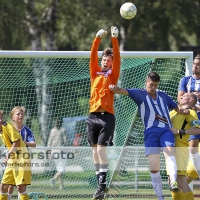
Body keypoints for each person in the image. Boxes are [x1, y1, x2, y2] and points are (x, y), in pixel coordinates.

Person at [109, 71, 189, 200]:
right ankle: (160, 197)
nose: (153, 88)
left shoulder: (163, 95)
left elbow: (176, 108)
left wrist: (184, 110)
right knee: (154, 168)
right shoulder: (139, 94)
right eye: (151, 85)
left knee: (170, 152)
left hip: (166, 130)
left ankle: (173, 181)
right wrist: (114, 88)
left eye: (156, 85)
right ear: (146, 82)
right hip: (150, 133)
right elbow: (122, 90)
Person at [86, 26, 120, 200]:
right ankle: (101, 186)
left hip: (107, 118)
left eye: (109, 60)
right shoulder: (95, 72)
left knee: (101, 150)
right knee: (94, 152)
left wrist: (114, 39)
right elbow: (92, 56)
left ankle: (102, 185)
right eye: (104, 60)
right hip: (92, 117)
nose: (106, 62)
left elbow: (118, 58)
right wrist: (96, 39)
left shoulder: (113, 75)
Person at [170, 92, 200, 200]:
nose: (182, 96)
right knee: (173, 183)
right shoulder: (174, 111)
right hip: (170, 149)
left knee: (179, 183)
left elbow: (197, 129)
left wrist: (179, 131)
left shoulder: (191, 112)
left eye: (186, 96)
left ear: (191, 100)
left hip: (180, 149)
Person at [0, 110, 31, 200]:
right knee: (3, 186)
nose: (0, 120)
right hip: (13, 160)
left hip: (22, 158)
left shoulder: (7, 126)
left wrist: (8, 154)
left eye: (1, 117)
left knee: (20, 187)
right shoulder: (1, 131)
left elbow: (16, 142)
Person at [178, 53, 200, 177]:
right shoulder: (186, 80)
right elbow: (179, 98)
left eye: (198, 65)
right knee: (192, 146)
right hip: (192, 116)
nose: (195, 66)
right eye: (195, 64)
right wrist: (190, 99)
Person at [7, 106, 36, 200]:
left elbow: (33, 144)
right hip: (11, 159)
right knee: (9, 184)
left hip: (23, 159)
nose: (20, 116)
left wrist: (25, 142)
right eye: (18, 114)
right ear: (13, 117)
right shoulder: (8, 129)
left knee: (21, 185)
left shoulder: (27, 131)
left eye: (22, 114)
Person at [47, 118, 67, 190]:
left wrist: (48, 152)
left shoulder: (52, 130)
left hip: (53, 152)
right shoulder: (63, 130)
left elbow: (49, 142)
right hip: (60, 151)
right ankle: (53, 179)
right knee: (62, 169)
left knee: (59, 168)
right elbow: (65, 141)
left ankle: (62, 186)